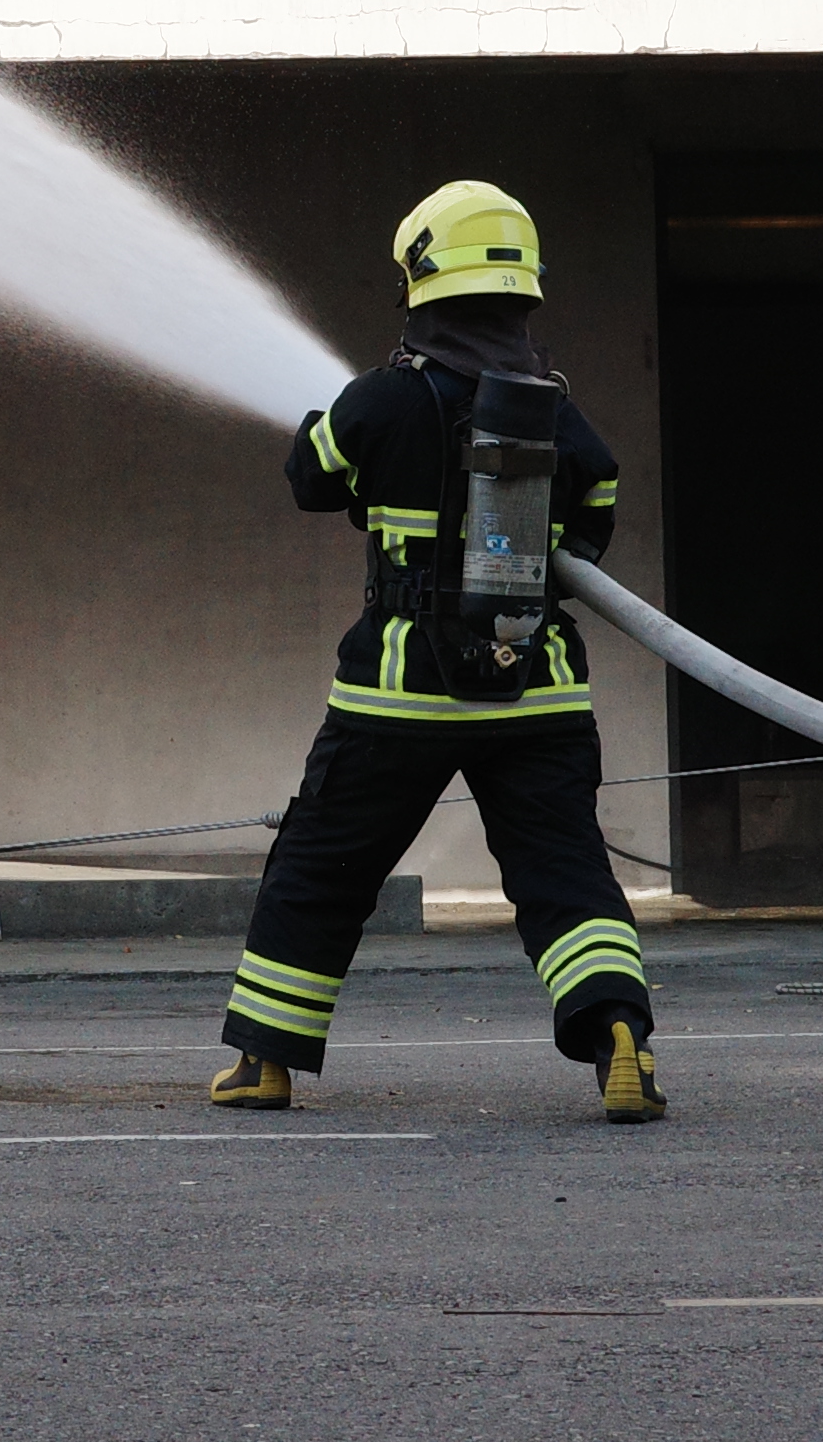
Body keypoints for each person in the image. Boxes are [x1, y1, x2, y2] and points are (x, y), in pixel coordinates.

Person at [213, 180, 660, 1121]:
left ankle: (265, 1061)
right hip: (537, 694)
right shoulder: (557, 415)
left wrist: (331, 433)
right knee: (564, 869)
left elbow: (309, 477)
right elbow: (596, 528)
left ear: (421, 279)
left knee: (323, 865)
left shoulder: (381, 398)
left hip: (397, 697)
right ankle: (619, 1032)